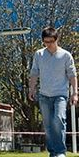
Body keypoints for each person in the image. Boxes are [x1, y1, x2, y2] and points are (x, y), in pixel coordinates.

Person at [29, 26, 78, 157]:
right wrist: (31, 89)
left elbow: (72, 75)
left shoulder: (66, 55)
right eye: (46, 41)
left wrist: (75, 93)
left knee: (59, 119)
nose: (49, 44)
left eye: (51, 41)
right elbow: (34, 73)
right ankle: (53, 152)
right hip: (44, 95)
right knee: (48, 125)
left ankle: (60, 151)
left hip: (61, 95)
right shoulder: (39, 54)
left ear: (57, 39)